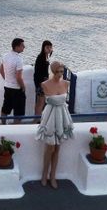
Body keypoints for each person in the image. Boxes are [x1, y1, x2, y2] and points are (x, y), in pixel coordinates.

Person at [36, 61, 74, 189]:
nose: (60, 74)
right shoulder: (45, 84)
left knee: (58, 148)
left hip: (62, 116)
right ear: (53, 71)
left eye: (62, 72)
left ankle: (53, 176)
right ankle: (44, 174)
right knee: (49, 148)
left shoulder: (66, 83)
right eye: (57, 72)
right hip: (50, 117)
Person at [0, 38, 26, 124]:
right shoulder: (19, 59)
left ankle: (3, 126)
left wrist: (7, 80)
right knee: (18, 112)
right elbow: (18, 77)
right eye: (22, 45)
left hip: (7, 86)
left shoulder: (5, 56)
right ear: (17, 47)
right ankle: (16, 129)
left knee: (5, 108)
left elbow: (0, 70)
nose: (24, 47)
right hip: (17, 89)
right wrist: (23, 87)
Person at [34, 40, 53, 120]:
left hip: (40, 83)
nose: (49, 49)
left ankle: (36, 119)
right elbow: (40, 72)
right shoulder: (41, 58)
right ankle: (36, 120)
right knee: (40, 103)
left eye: (50, 47)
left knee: (39, 102)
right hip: (41, 83)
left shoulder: (44, 57)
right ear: (43, 48)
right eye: (47, 47)